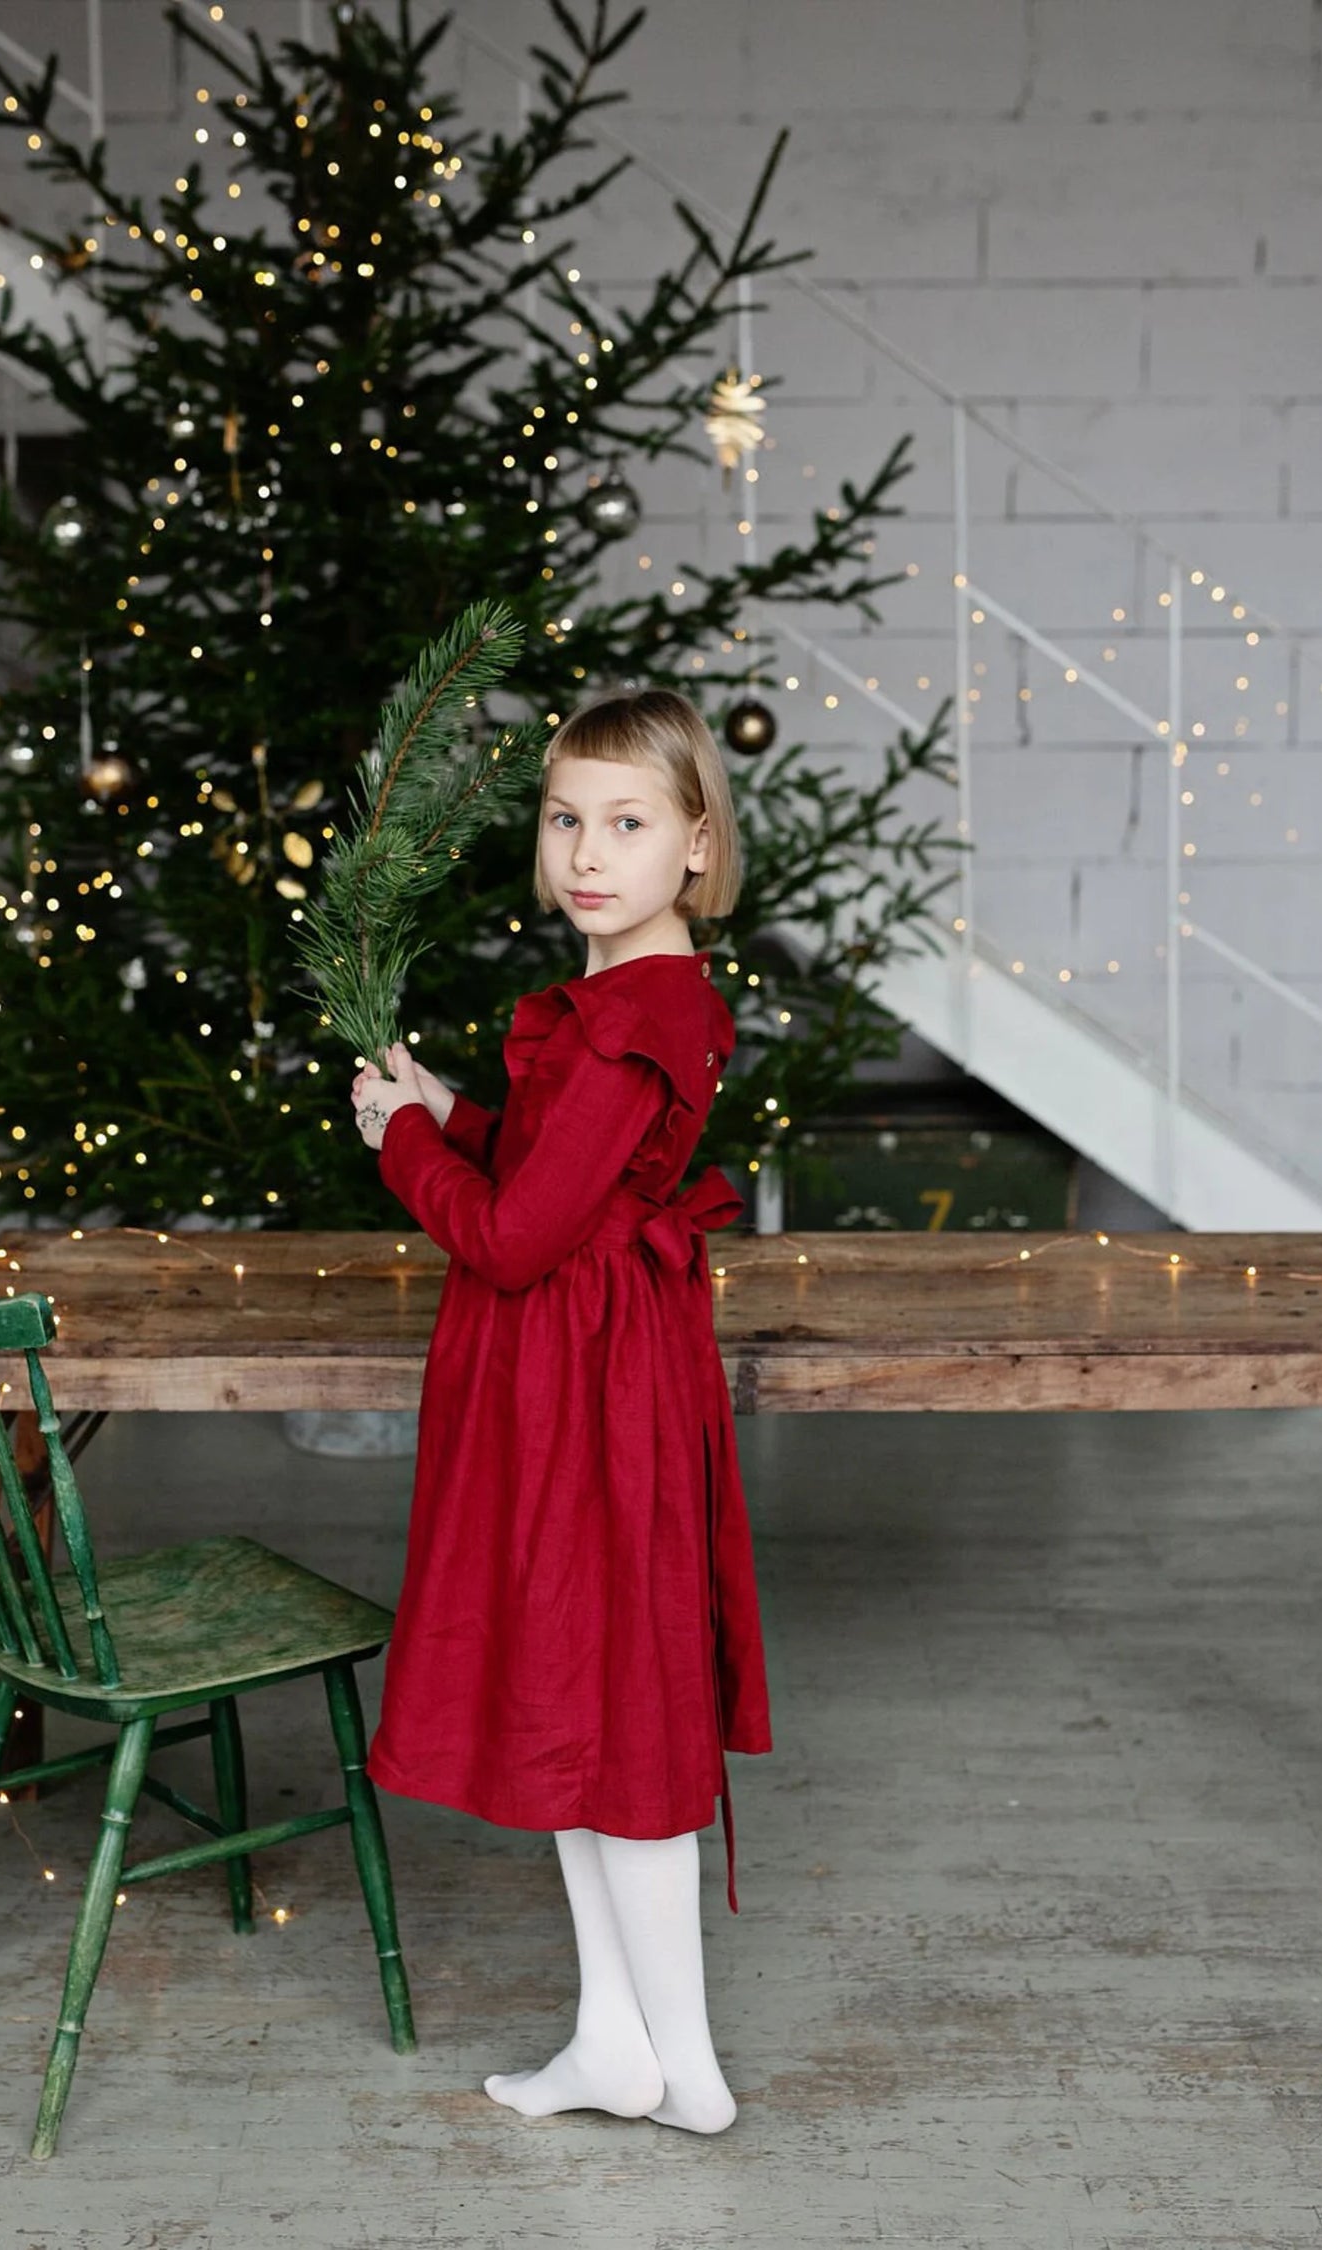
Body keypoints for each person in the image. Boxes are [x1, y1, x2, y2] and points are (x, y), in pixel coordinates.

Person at [348, 686, 772, 2134]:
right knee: (582, 1701)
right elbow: (565, 1171)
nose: (589, 853)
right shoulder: (635, 1000)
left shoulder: (629, 1018)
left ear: (696, 843)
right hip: (584, 1363)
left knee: (616, 1715)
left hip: (582, 1384)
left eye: (629, 822)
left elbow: (517, 1235)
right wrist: (449, 1108)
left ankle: (687, 2064)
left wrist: (407, 1146)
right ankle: (615, 2041)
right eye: (565, 818)